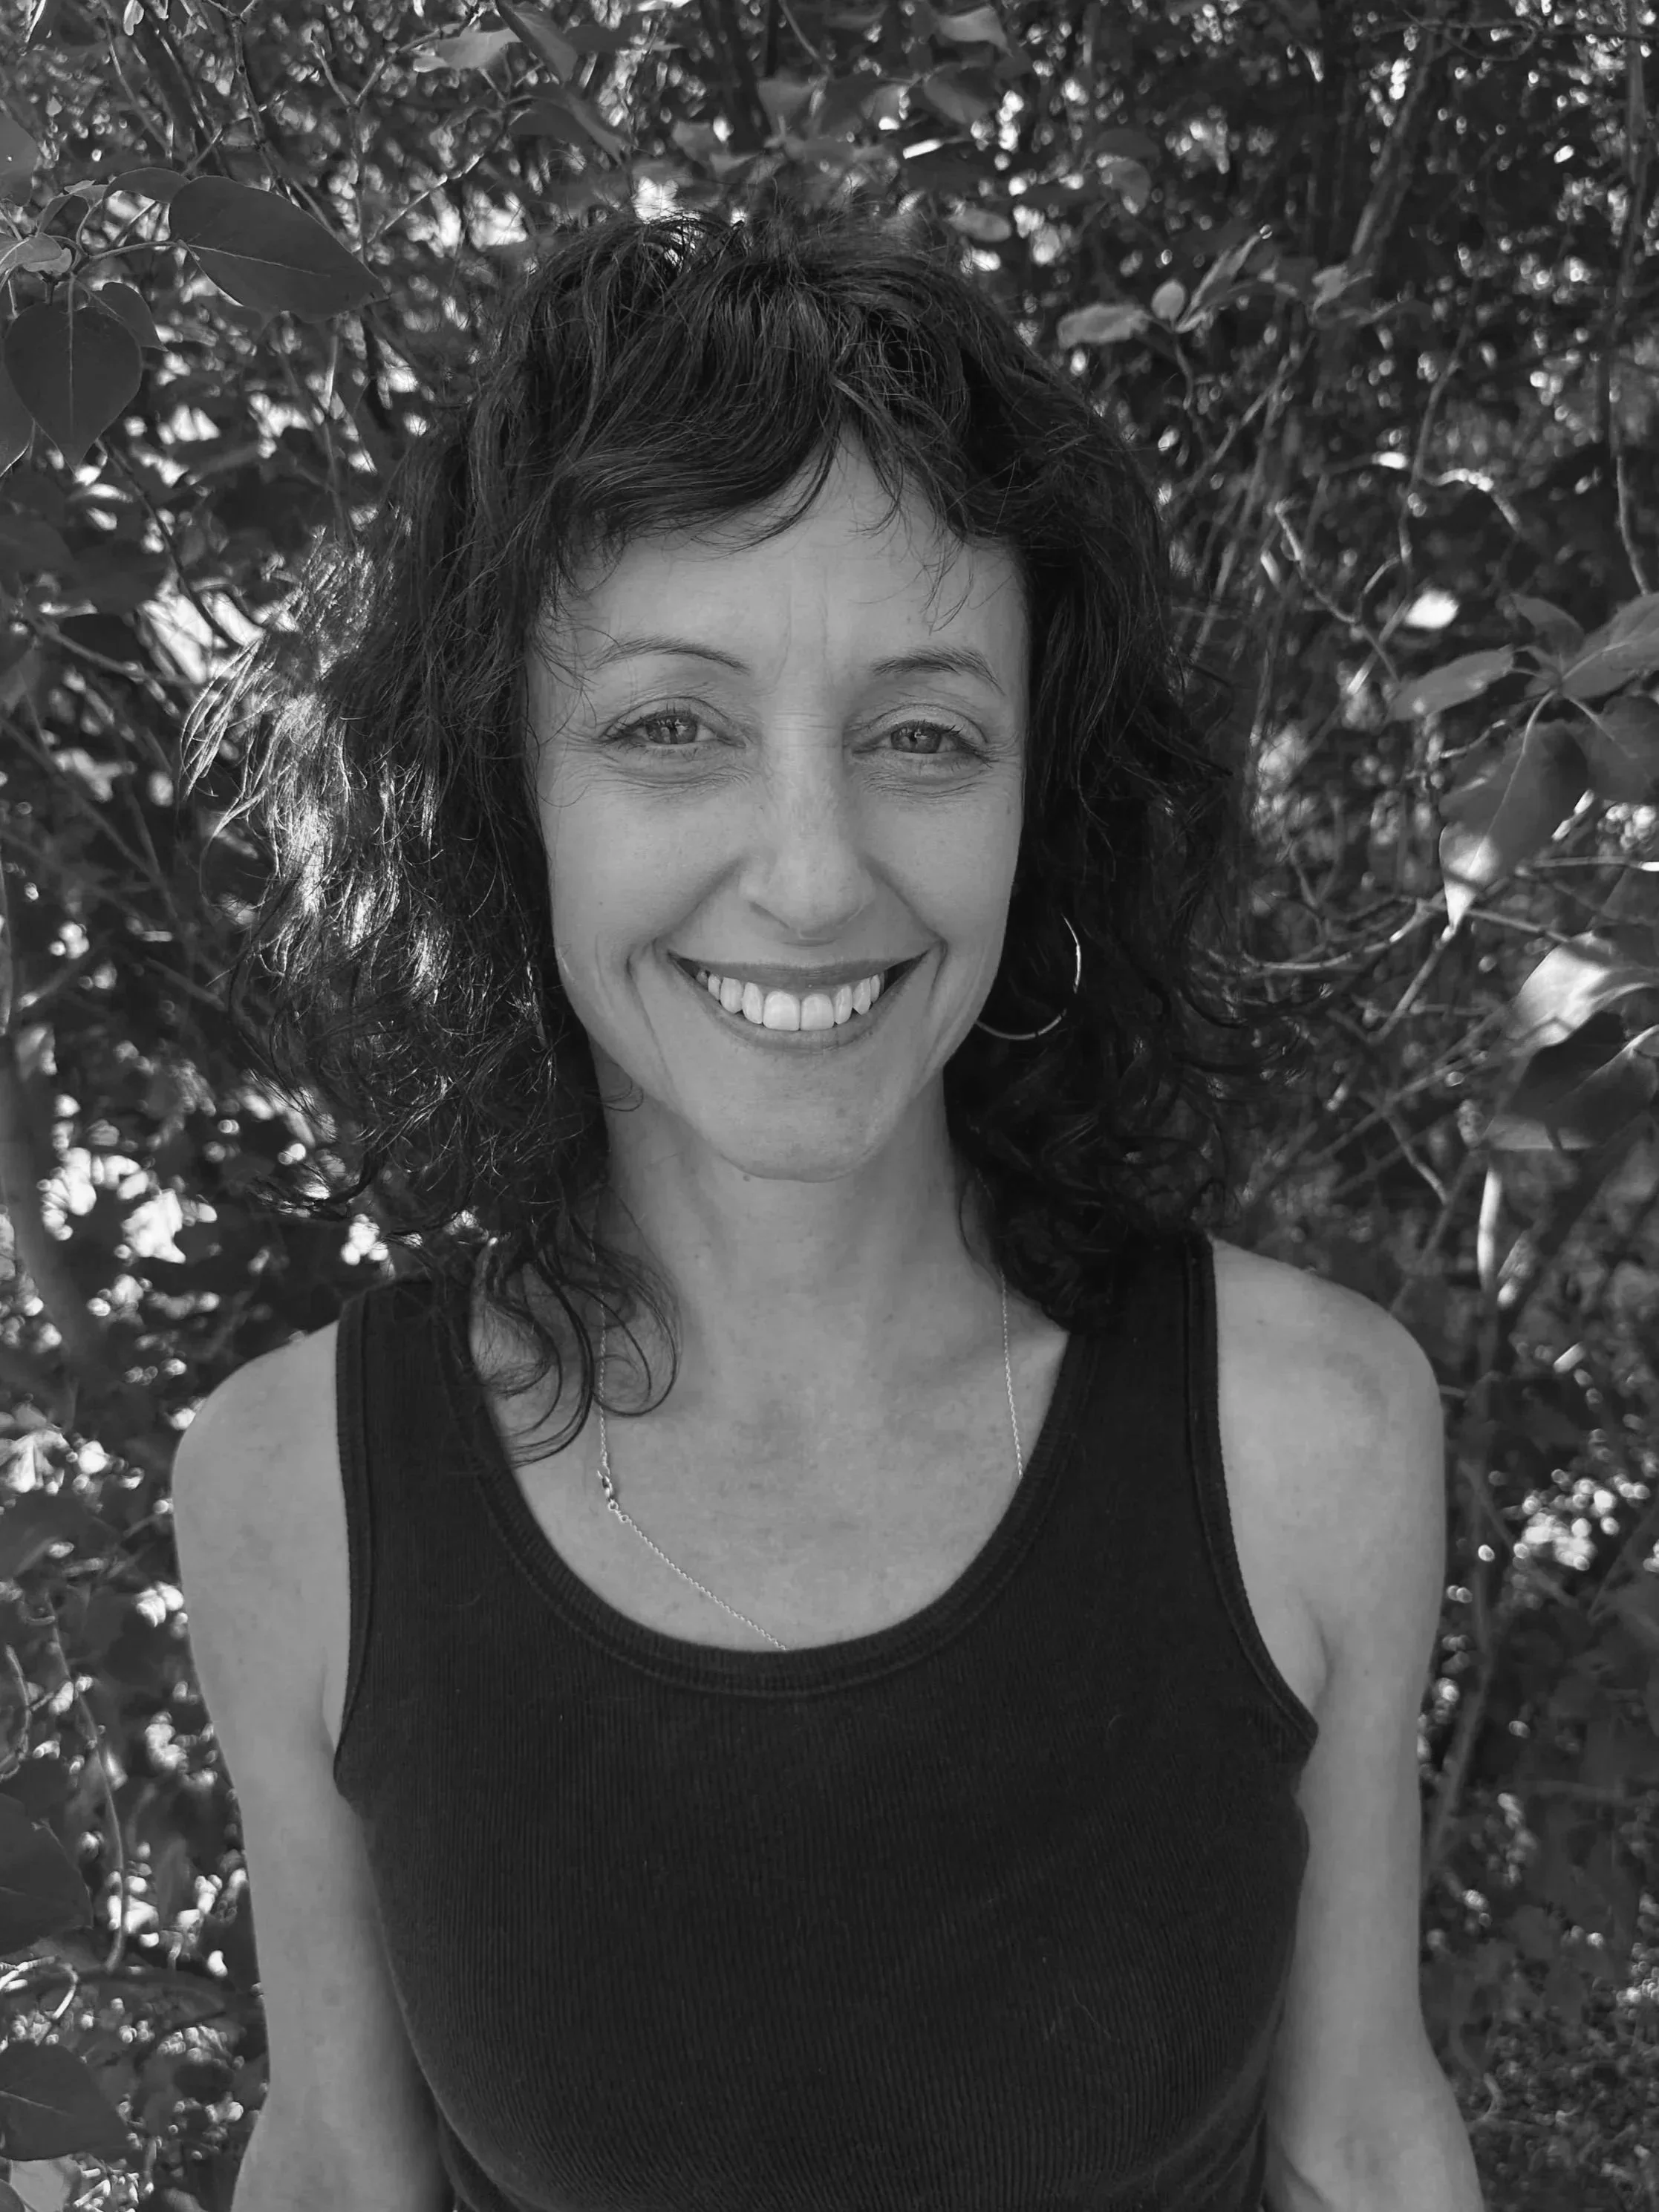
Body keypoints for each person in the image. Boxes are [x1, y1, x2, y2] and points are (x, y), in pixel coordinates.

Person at [170, 188, 1484, 2212]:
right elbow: (342, 2160)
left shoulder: (1314, 1436)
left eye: (925, 735)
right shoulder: (296, 1495)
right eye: (672, 728)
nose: (812, 871)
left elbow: (1366, 2145)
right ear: (505, 793)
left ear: (1039, 798)